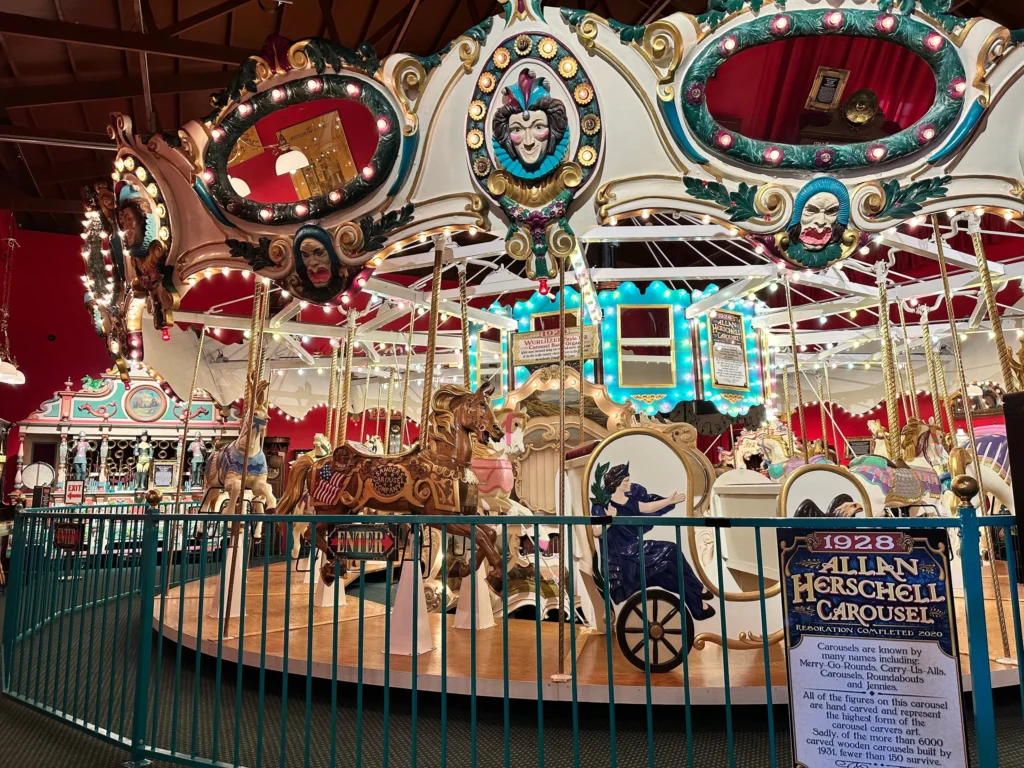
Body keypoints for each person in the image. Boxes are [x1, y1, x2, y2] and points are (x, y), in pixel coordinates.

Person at [591, 463, 715, 621]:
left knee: (669, 564)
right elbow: (595, 531)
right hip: (622, 553)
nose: (629, 484)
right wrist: (609, 519)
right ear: (617, 483)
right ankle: (697, 590)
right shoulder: (602, 505)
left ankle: (695, 601)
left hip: (633, 547)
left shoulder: (629, 502)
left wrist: (669, 500)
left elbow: (648, 507)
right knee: (671, 550)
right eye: (626, 481)